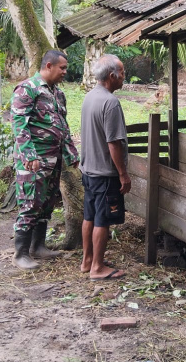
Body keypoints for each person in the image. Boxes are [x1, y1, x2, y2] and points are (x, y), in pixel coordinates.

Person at [11, 50, 79, 270]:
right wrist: (29, 155)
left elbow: (63, 126)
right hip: (34, 160)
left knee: (46, 203)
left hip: (54, 159)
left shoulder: (58, 94)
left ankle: (38, 246)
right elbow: (19, 124)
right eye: (62, 68)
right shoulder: (27, 89)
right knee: (30, 204)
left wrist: (71, 154)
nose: (65, 72)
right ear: (48, 66)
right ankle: (20, 253)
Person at [79, 54, 130, 280]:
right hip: (104, 173)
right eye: (123, 73)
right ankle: (98, 268)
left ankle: (87, 260)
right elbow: (113, 143)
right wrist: (123, 174)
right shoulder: (111, 103)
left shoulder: (90, 97)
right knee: (103, 219)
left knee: (89, 216)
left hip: (88, 170)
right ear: (112, 76)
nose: (124, 77)